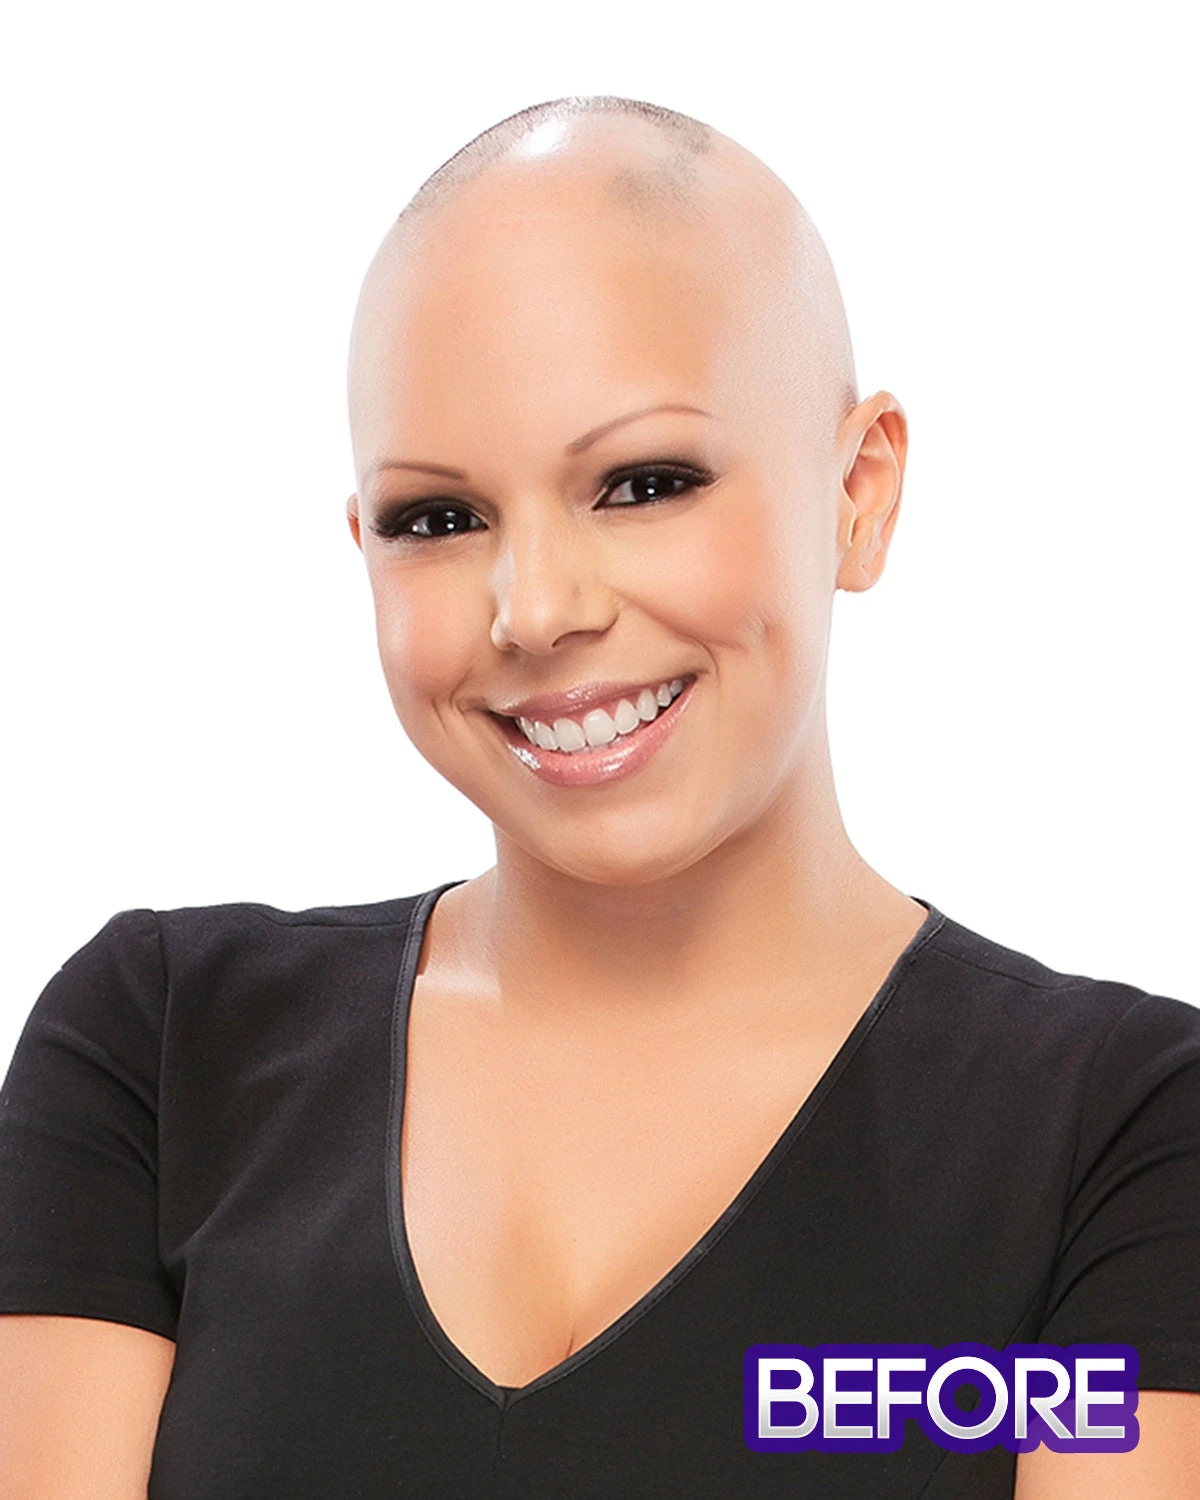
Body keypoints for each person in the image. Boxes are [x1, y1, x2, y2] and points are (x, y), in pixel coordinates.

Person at [0, 95, 1197, 1500]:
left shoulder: (1123, 1138)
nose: (538, 607)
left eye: (643, 482)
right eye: (439, 519)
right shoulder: (163, 1054)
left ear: (859, 493)